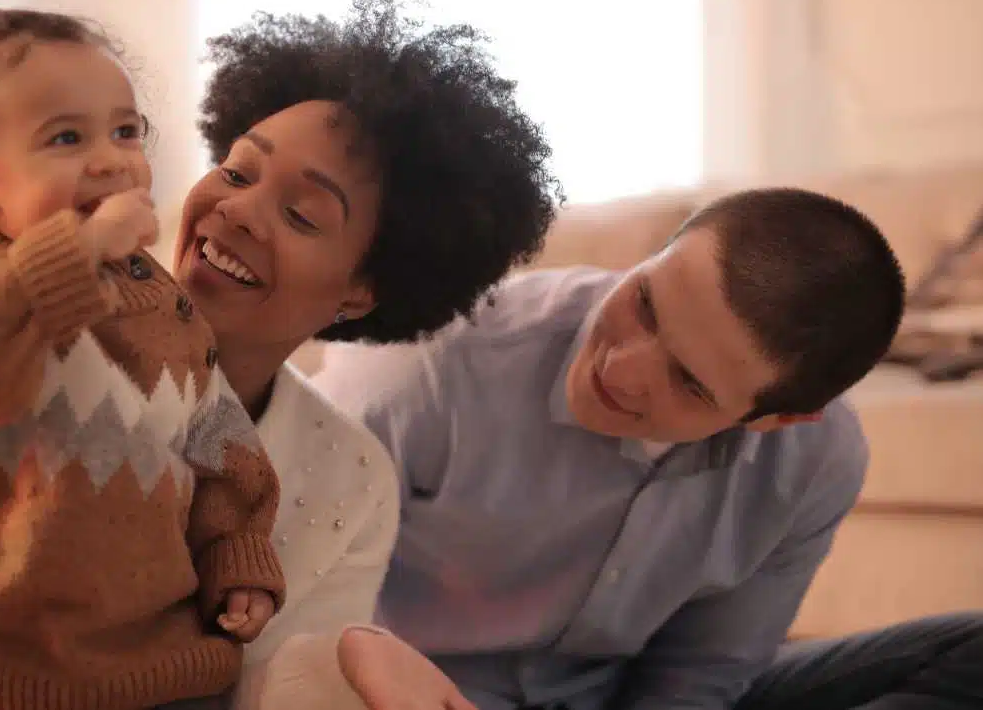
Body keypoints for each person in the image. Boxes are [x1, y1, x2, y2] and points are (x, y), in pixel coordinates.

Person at [0, 0, 559, 710]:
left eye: (301, 215)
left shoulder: (350, 480)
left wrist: (361, 666)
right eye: (240, 170)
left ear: (364, 287)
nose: (238, 211)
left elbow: (270, 688)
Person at [316, 186, 983, 710]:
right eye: (645, 303)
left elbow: (701, 678)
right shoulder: (432, 363)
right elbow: (273, 597)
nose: (622, 369)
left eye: (689, 382)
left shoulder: (816, 464)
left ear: (777, 419)